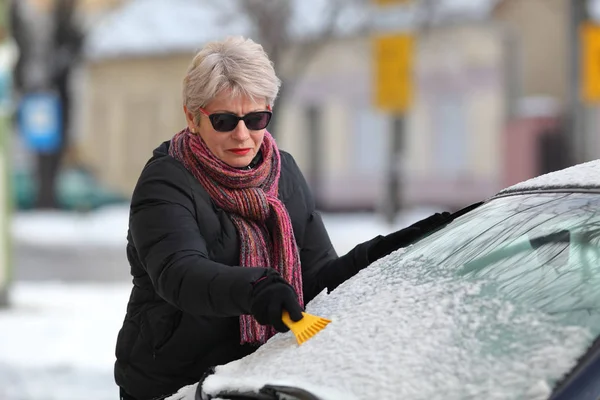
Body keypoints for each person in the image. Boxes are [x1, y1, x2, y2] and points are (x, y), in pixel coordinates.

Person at [115, 36, 451, 400]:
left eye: (256, 118)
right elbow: (179, 274)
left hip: (261, 377)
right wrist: (257, 288)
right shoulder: (167, 180)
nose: (242, 135)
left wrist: (382, 251)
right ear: (192, 118)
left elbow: (318, 278)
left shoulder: (283, 171)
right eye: (224, 121)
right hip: (174, 383)